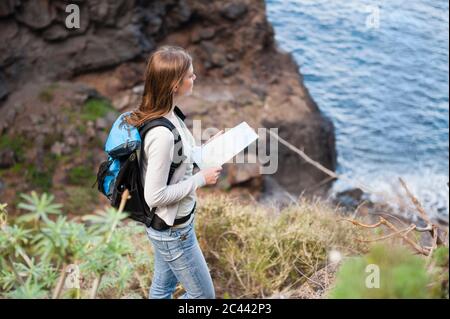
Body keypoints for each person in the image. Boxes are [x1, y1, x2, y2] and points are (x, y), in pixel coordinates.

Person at [124, 45, 222, 299]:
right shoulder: (162, 134)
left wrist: (208, 150)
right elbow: (154, 196)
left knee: (162, 289)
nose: (195, 78)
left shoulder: (169, 115)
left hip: (171, 226)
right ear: (174, 85)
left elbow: (181, 160)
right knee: (203, 299)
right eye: (190, 75)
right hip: (173, 232)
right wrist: (202, 179)